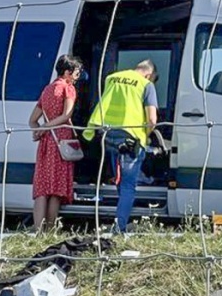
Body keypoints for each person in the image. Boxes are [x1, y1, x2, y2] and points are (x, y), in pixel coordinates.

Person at [83, 59, 161, 233]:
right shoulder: (146, 84)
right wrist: (145, 138)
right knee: (128, 185)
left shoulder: (112, 78)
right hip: (131, 139)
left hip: (108, 136)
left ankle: (121, 219)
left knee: (119, 180)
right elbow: (152, 120)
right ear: (149, 74)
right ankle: (120, 227)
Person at [28, 54, 83, 233]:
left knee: (42, 188)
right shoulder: (68, 89)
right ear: (67, 72)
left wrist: (40, 130)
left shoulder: (47, 89)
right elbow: (66, 115)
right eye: (76, 73)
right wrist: (45, 127)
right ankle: (50, 231)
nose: (77, 77)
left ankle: (38, 232)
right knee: (56, 190)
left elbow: (32, 120)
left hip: (46, 142)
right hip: (62, 141)